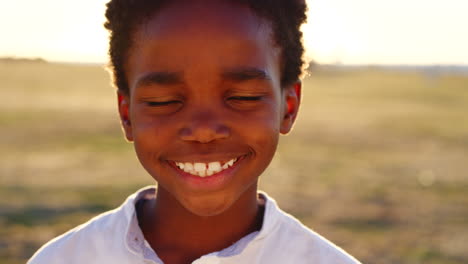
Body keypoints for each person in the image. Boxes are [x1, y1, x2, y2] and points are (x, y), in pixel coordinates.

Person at [28, 0, 360, 263]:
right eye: (164, 101)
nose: (203, 131)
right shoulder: (63, 259)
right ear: (126, 114)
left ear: (288, 107)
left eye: (243, 97)